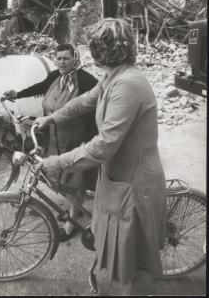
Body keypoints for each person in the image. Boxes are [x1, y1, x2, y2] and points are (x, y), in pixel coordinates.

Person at [34, 18, 167, 295]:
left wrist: (57, 162)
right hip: (118, 177)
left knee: (133, 264)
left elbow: (104, 145)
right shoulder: (113, 76)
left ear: (100, 51)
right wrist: (52, 118)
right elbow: (84, 102)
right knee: (117, 249)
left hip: (134, 184)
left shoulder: (127, 84)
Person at [3, 43, 98, 241]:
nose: (61, 62)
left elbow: (95, 107)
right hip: (55, 136)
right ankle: (76, 206)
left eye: (66, 58)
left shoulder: (87, 81)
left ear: (75, 59)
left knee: (75, 178)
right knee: (59, 175)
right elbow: (40, 88)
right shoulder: (56, 77)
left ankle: (72, 221)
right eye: (59, 58)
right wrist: (18, 94)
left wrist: (93, 138)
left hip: (76, 138)